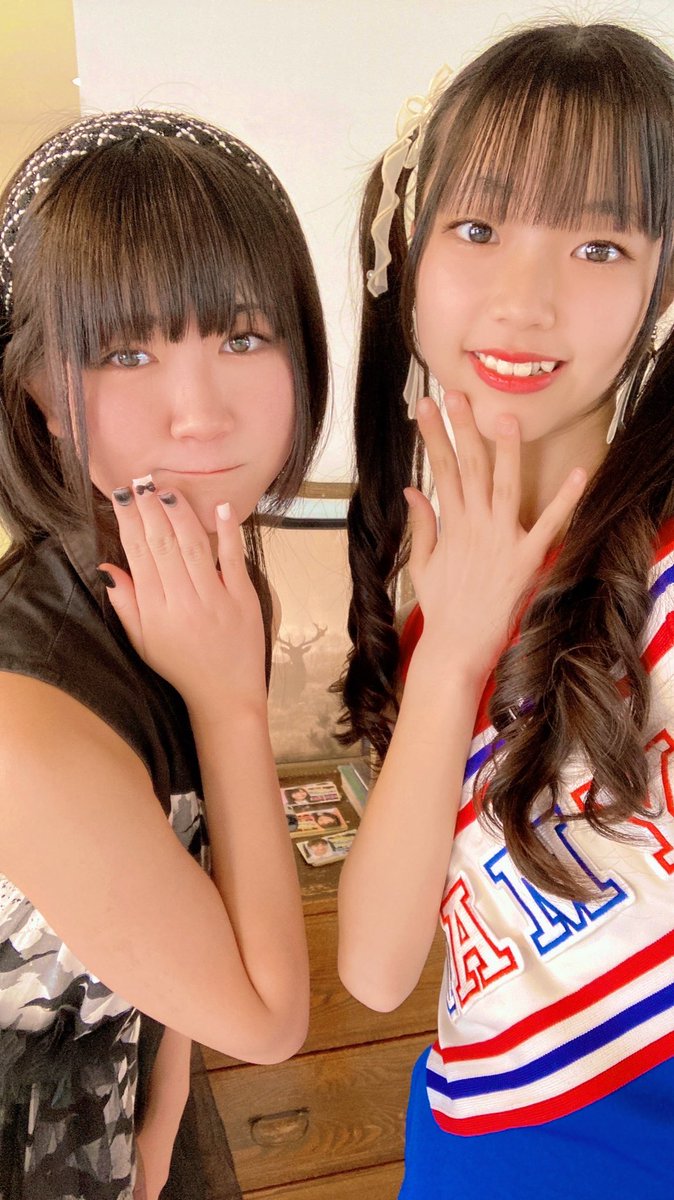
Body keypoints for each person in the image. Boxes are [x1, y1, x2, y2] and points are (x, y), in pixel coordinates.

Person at [337, 21, 674, 1198]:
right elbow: (377, 969)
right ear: (407, 246)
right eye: (478, 229)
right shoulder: (426, 586)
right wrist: (449, 658)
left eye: (597, 244)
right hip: (474, 1150)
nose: (524, 302)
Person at [0, 109, 328, 1199]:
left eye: (242, 337)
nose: (201, 415)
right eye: (127, 352)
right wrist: (232, 708)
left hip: (127, 1120)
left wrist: (167, 1104)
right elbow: (268, 1019)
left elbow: (191, 897)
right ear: (41, 395)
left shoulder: (192, 578)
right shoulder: (24, 713)